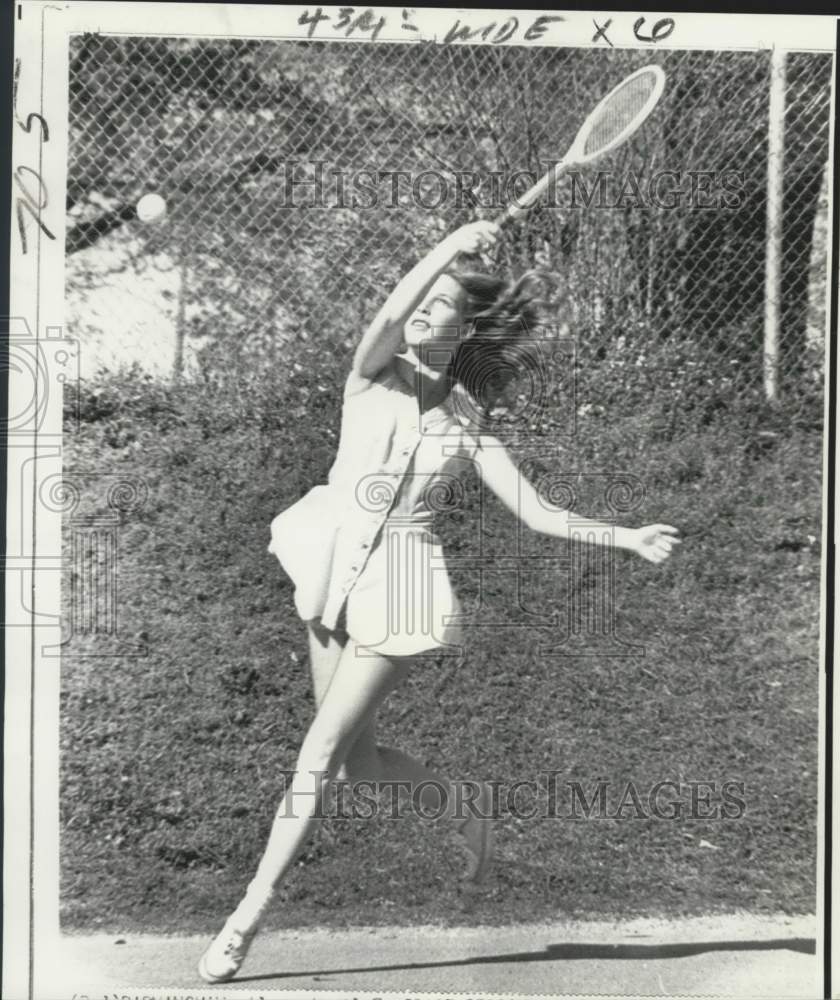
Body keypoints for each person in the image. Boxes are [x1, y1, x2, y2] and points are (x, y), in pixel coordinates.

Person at [198, 220, 681, 983]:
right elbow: (389, 314)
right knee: (356, 768)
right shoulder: (370, 374)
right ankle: (464, 803)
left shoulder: (468, 424)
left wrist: (625, 537)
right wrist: (451, 244)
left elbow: (540, 513)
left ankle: (244, 919)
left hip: (402, 588)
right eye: (423, 295)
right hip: (333, 567)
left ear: (466, 327)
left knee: (318, 756)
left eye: (444, 301)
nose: (423, 308)